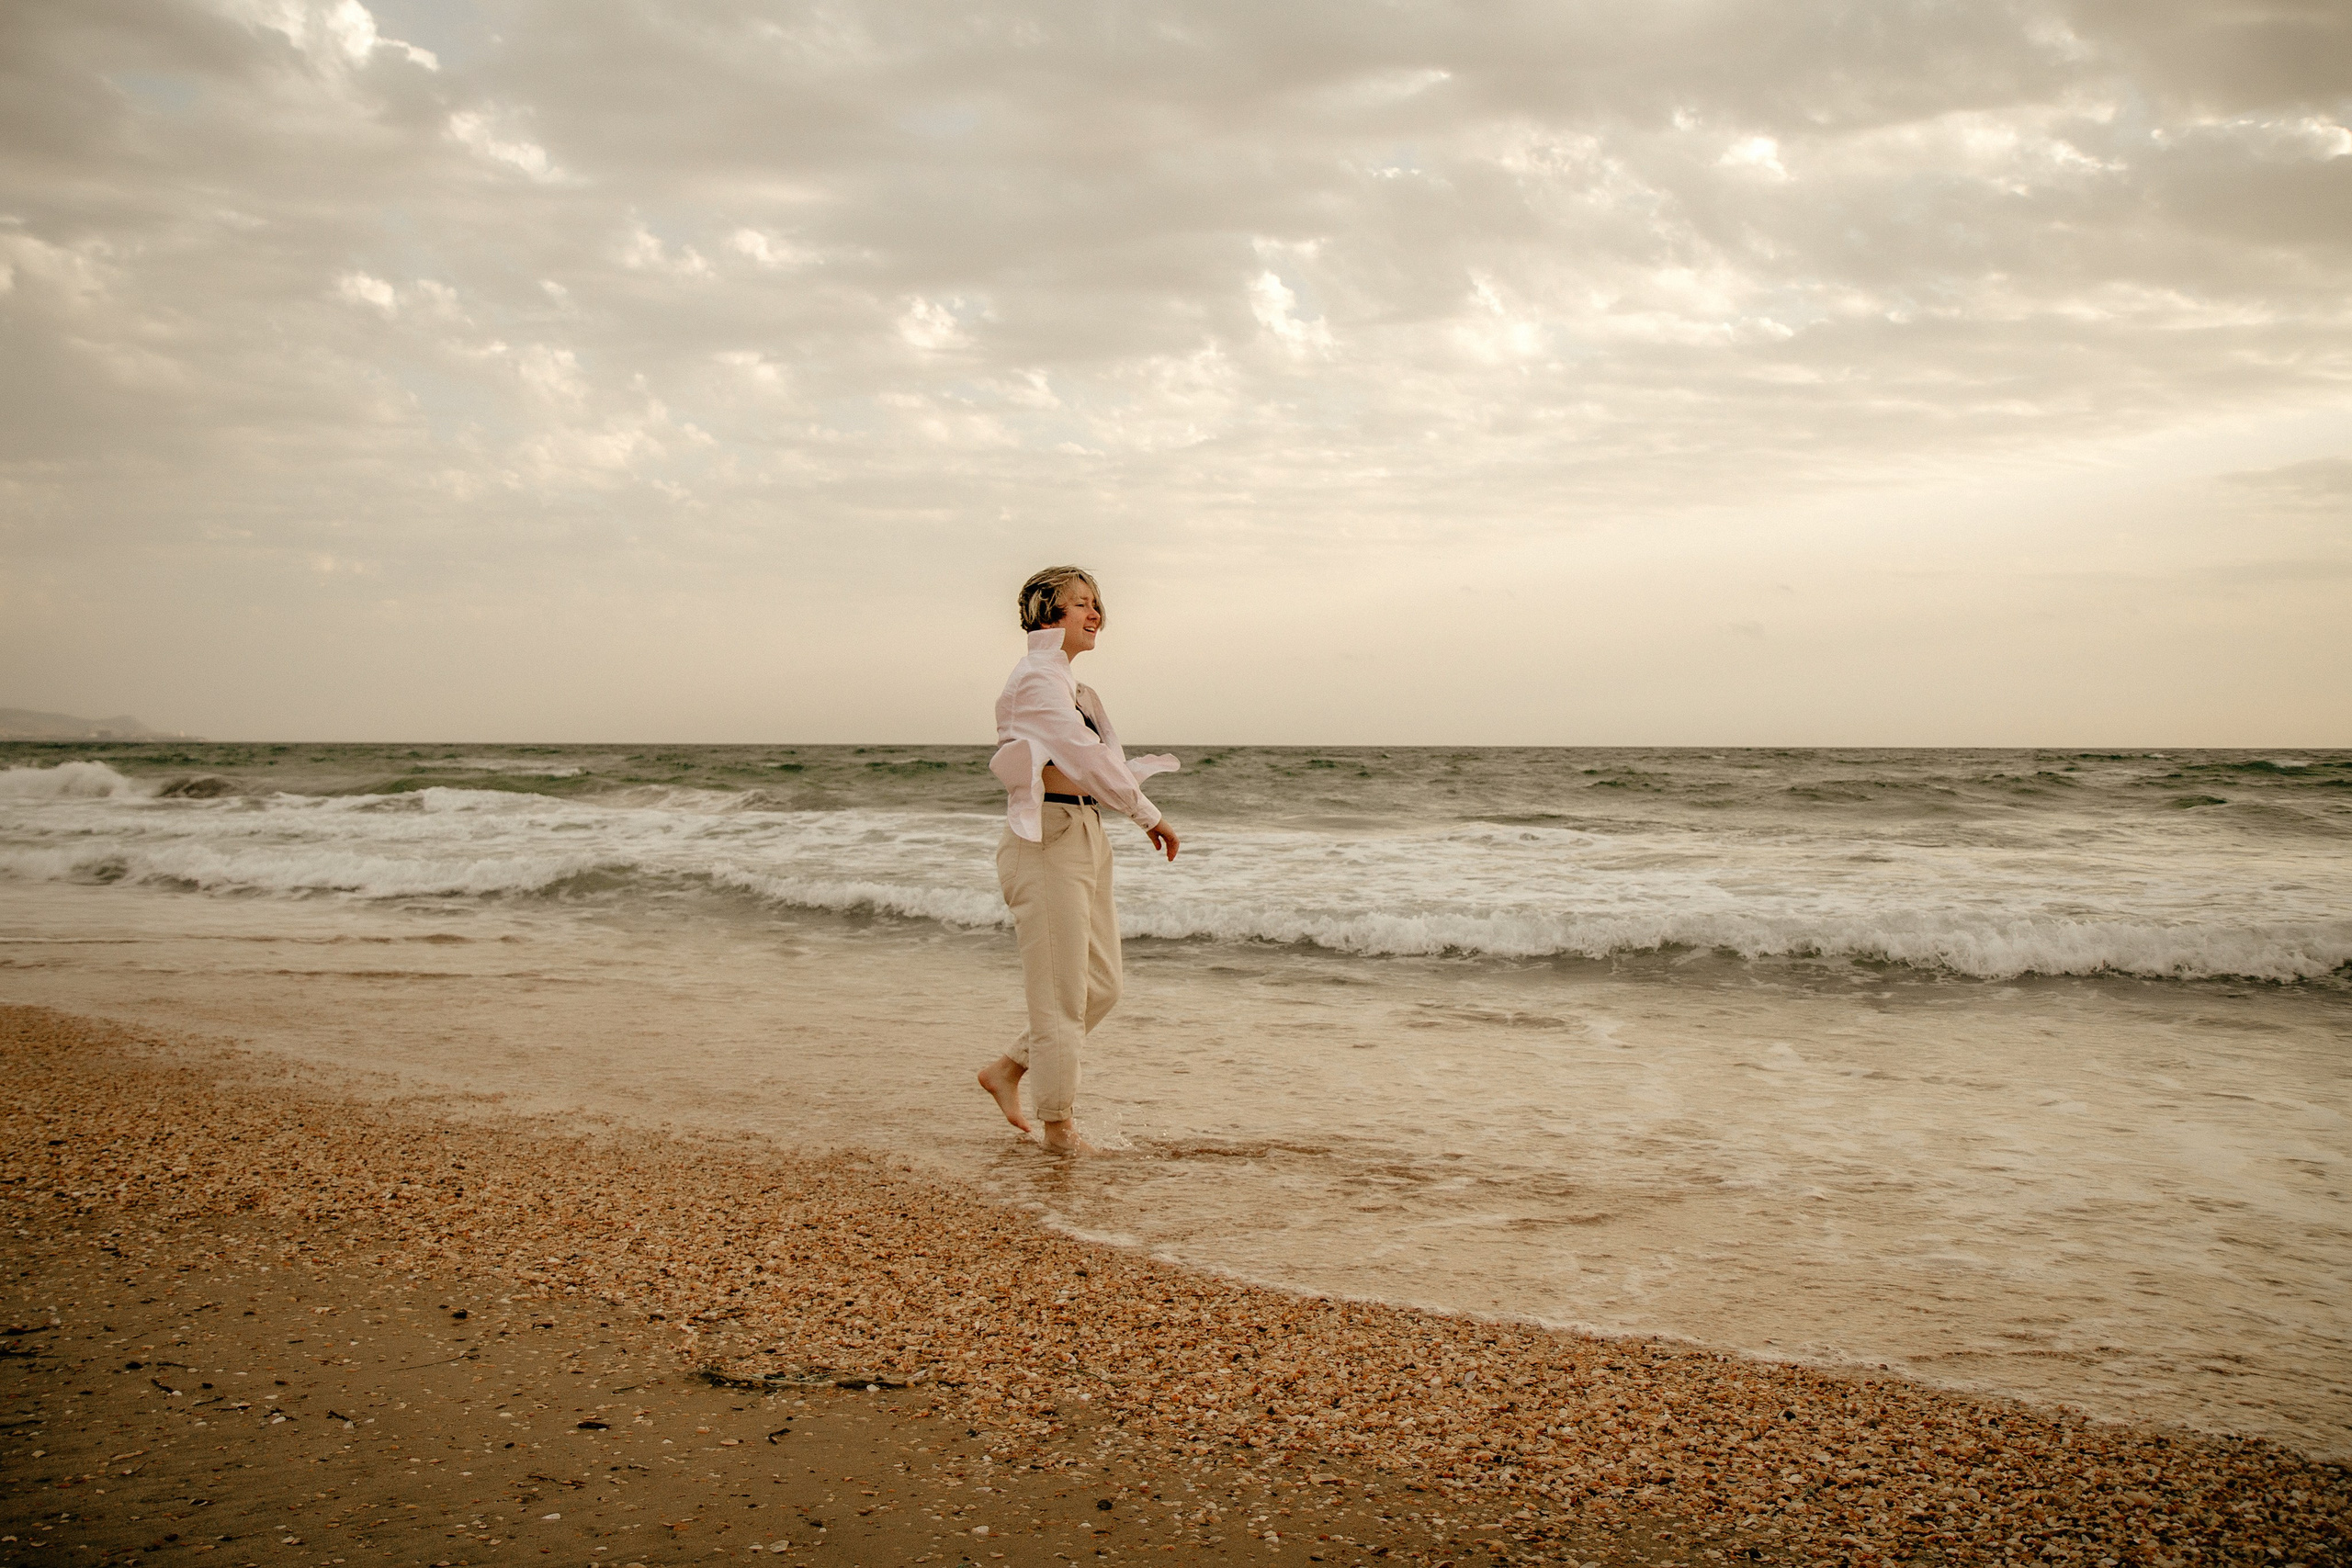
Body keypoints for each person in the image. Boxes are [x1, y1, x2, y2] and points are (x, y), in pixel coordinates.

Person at [979, 566, 1180, 1153]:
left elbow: (1098, 766)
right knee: (1061, 993)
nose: (1095, 615)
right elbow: (1086, 758)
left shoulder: (1073, 686)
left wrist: (1128, 805)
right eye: (1082, 604)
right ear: (1050, 613)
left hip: (1084, 830)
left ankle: (1007, 1071)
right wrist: (1149, 814)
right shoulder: (1038, 681)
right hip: (1045, 841)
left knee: (1103, 985)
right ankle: (1059, 1127)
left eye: (1097, 605)